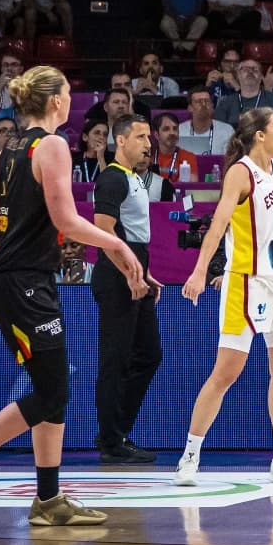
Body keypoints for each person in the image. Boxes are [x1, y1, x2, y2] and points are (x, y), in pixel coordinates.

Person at [0, 64, 150, 531]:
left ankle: (48, 499)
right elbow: (66, 222)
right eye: (68, 93)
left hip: (19, 279)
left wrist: (9, 252)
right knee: (52, 392)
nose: (71, 101)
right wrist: (119, 245)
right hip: (24, 284)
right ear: (54, 102)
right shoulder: (52, 145)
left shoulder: (9, 147)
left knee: (54, 390)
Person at [174, 105, 273, 488]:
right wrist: (199, 270)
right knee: (226, 373)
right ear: (260, 134)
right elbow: (219, 224)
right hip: (248, 281)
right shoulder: (241, 173)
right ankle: (189, 455)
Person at [91, 114, 163, 464]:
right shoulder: (112, 179)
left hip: (135, 265)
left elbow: (132, 235)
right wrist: (131, 273)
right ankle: (111, 439)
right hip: (117, 273)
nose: (148, 143)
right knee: (115, 359)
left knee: (149, 354)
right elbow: (104, 233)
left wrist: (144, 273)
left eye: (149, 137)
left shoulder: (134, 178)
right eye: (141, 136)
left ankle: (116, 430)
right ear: (120, 141)